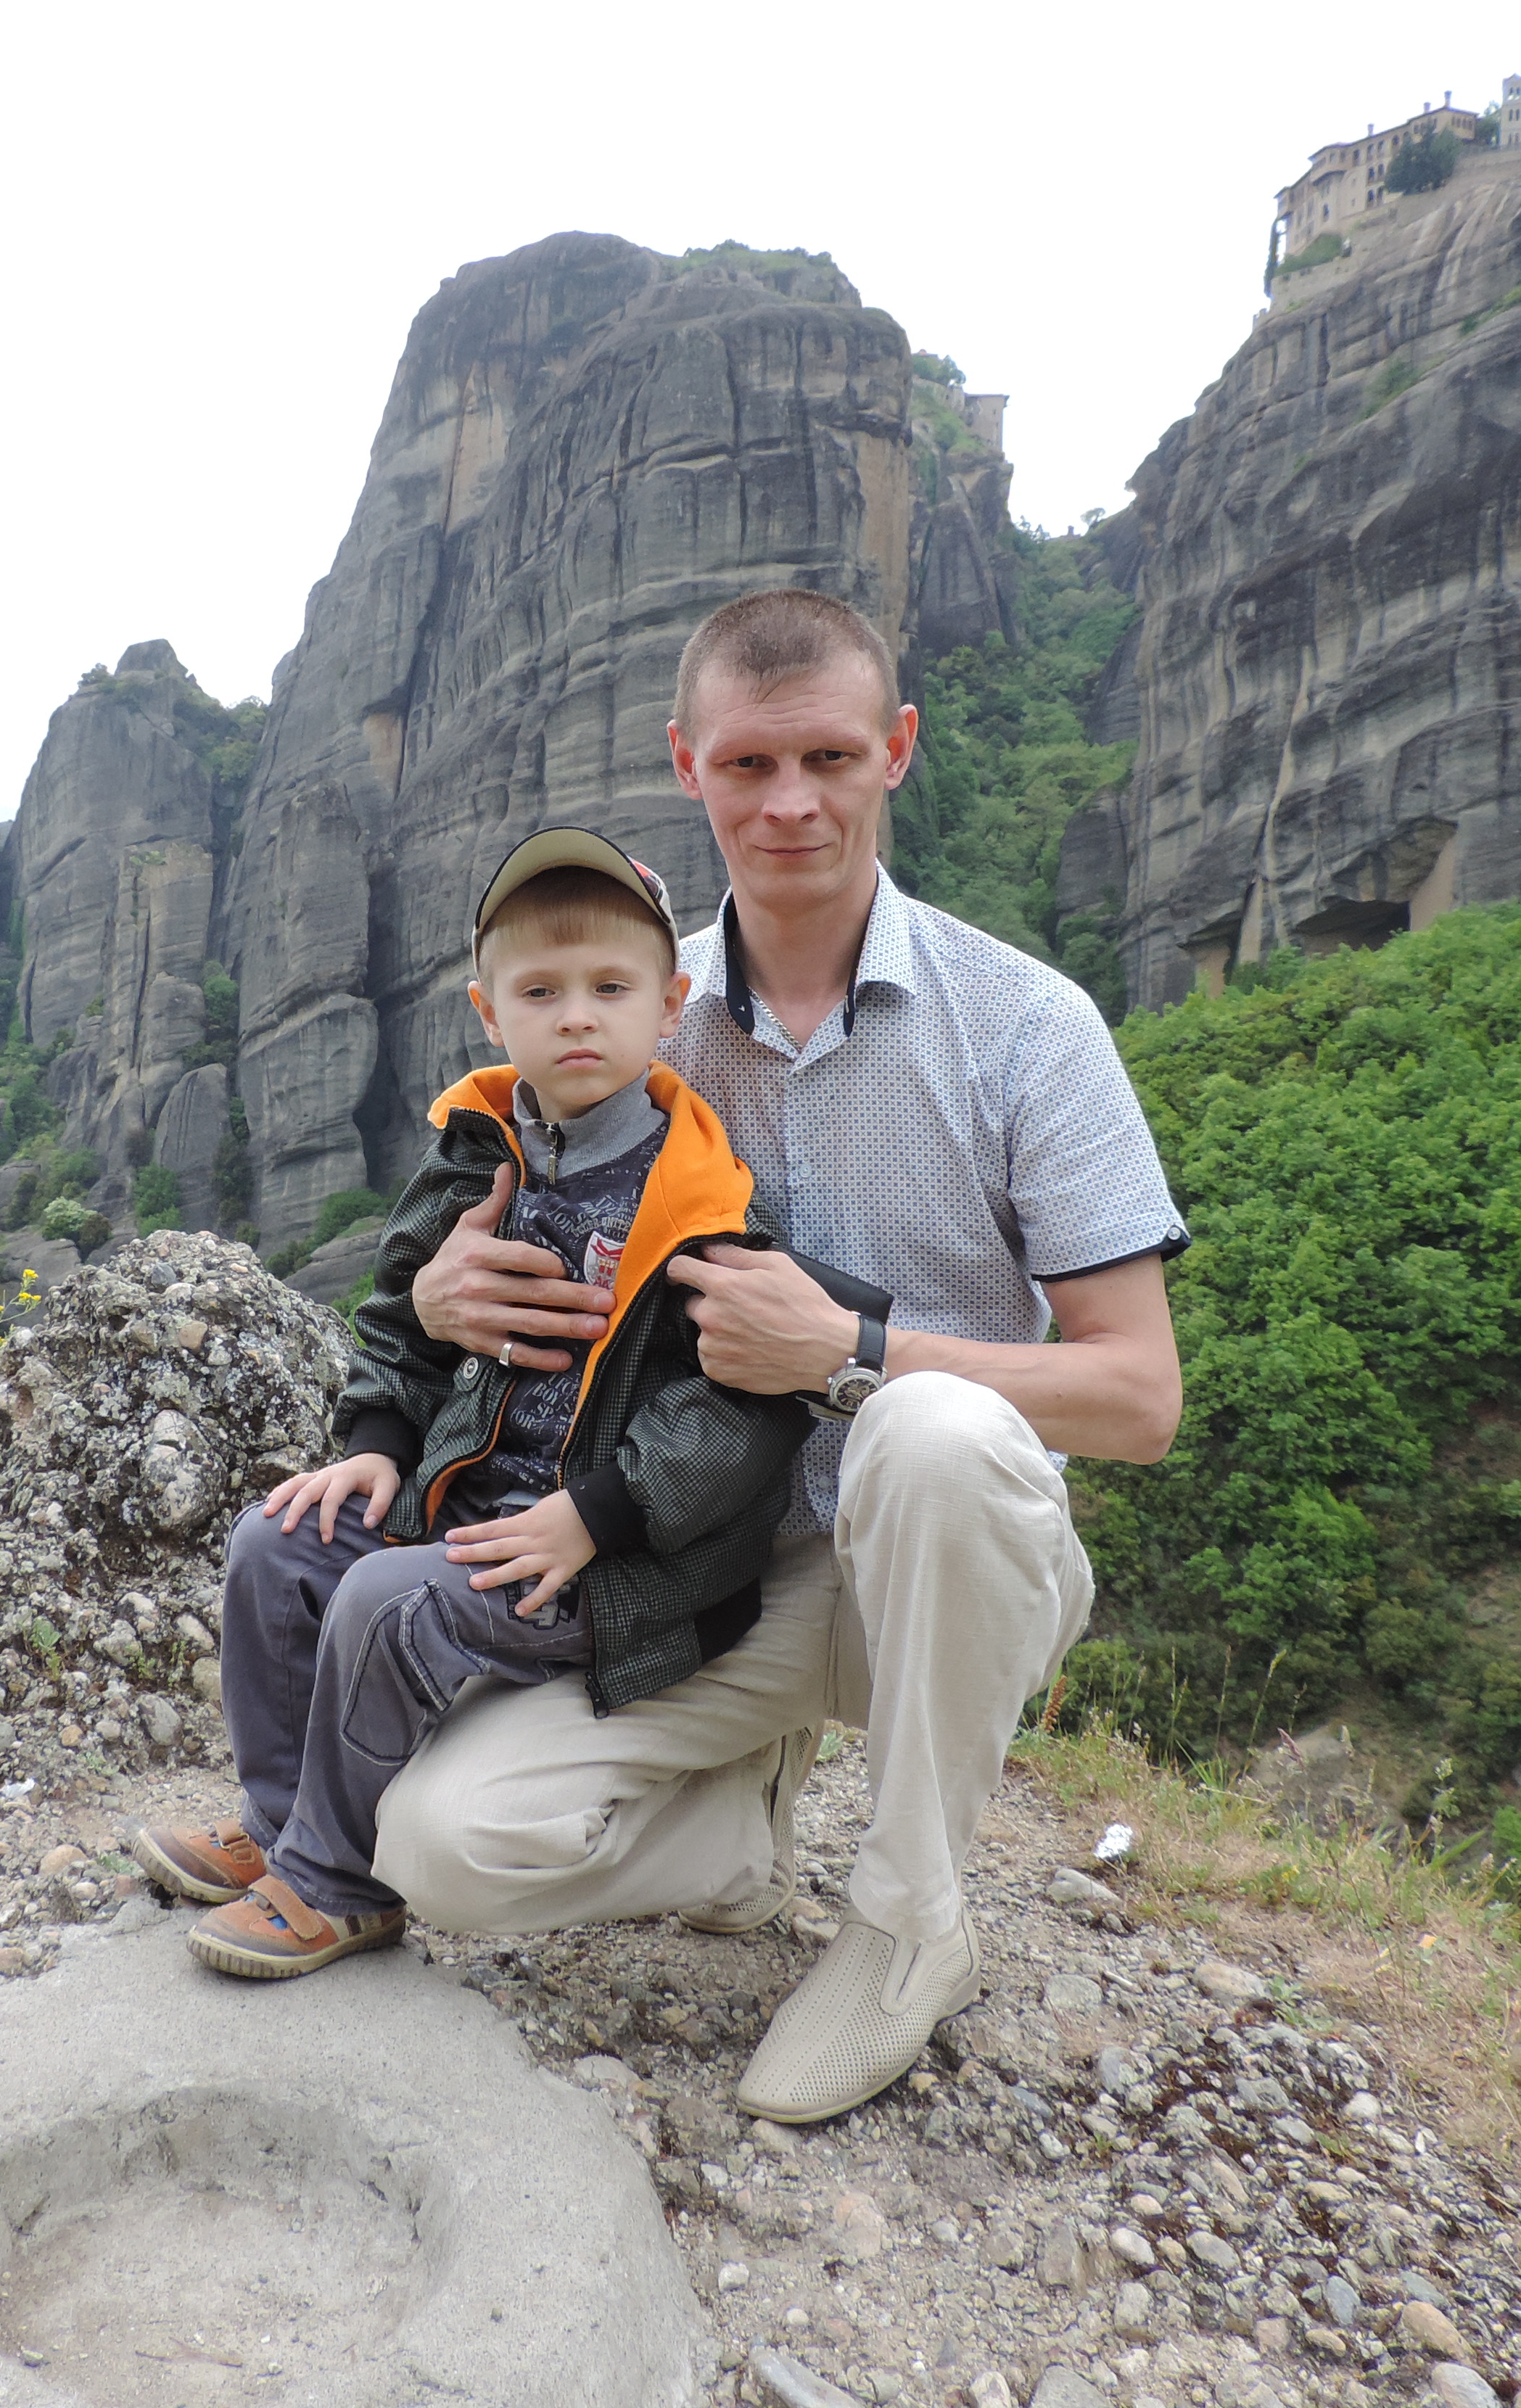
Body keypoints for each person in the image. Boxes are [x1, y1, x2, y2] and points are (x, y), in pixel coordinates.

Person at [370, 586, 1188, 2122]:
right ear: (688, 765)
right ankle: (740, 1836)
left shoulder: (1028, 1025)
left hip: (940, 1577)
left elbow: (1140, 1398)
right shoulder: (632, 1012)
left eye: (829, 757)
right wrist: (440, 1299)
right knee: (439, 1847)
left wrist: (851, 1351)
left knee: (929, 1433)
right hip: (704, 1570)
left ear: (899, 749)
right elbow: (459, 1244)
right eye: (748, 765)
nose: (790, 804)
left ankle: (910, 1919)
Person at [133, 827, 863, 1979]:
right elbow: (399, 1315)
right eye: (541, 991)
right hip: (469, 1502)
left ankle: (339, 1885)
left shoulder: (704, 1198)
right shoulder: (478, 1153)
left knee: (381, 1603)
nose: (577, 1018)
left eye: (611, 988)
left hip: (621, 1560)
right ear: (488, 1012)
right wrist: (378, 1442)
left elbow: (744, 1410)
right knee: (276, 1546)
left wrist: (600, 1515)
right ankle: (281, 1826)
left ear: (670, 1006)